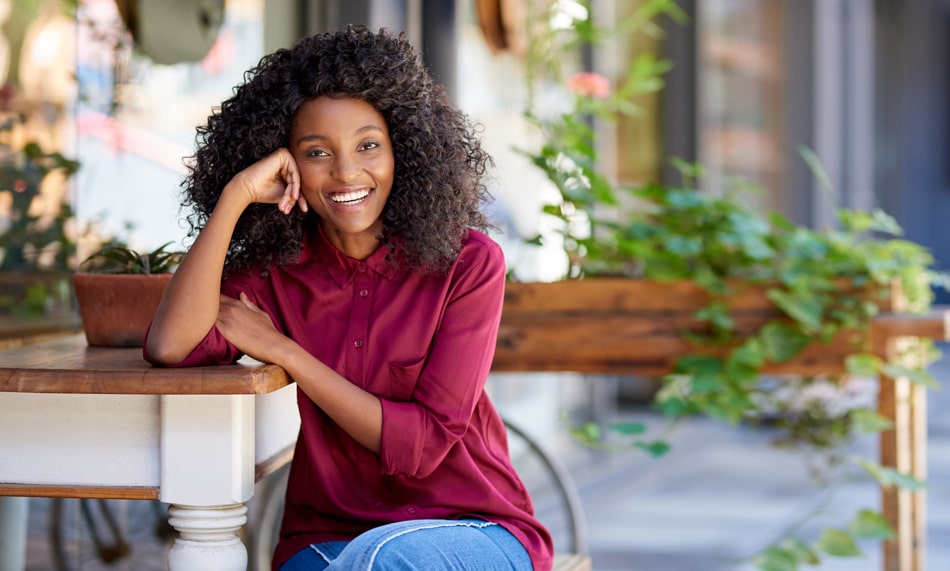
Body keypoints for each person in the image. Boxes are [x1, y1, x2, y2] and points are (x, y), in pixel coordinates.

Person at [144, 25, 554, 571]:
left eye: (367, 146)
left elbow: (423, 446)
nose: (345, 172)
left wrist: (287, 353)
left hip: (473, 527)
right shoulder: (274, 275)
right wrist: (235, 197)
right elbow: (170, 346)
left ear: (402, 150)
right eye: (317, 152)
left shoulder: (468, 263)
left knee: (382, 560)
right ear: (285, 163)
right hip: (327, 535)